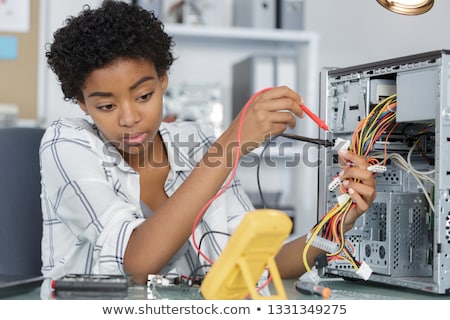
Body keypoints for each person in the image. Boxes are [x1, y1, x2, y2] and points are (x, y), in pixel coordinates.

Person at [40, 0, 376, 286]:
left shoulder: (196, 140)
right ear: (83, 105)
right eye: (106, 106)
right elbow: (138, 262)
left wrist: (338, 221)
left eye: (144, 95)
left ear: (163, 80)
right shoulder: (66, 143)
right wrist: (229, 145)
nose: (129, 118)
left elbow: (258, 265)